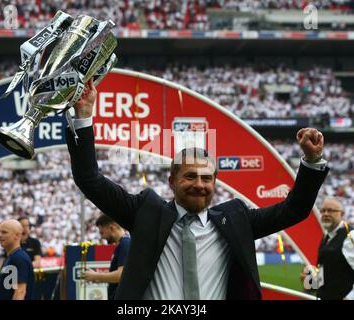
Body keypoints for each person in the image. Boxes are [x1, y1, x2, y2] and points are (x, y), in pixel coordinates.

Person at [66, 79, 329, 300]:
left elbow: (294, 210)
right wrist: (84, 116)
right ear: (172, 181)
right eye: (190, 176)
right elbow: (89, 179)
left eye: (207, 178)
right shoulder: (146, 212)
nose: (200, 185)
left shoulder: (235, 220)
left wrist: (312, 162)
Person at [301, 197, 354, 300]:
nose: (325, 214)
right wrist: (309, 282)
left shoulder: (350, 235)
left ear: (341, 214)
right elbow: (326, 273)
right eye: (323, 210)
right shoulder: (327, 236)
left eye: (330, 210)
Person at [82, 214, 130, 300]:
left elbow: (121, 275)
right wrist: (100, 278)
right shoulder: (121, 244)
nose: (102, 237)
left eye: (102, 232)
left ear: (112, 228)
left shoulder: (125, 244)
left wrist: (95, 276)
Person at [0, 219, 34, 300]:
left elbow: (20, 292)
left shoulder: (19, 258)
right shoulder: (11, 257)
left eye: (4, 232)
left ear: (17, 236)